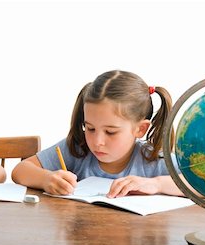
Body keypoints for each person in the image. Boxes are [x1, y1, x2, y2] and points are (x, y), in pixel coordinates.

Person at [12, 70, 184, 198]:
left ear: (140, 129)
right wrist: (46, 179)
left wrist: (157, 184)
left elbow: (201, 187)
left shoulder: (155, 160)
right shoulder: (77, 149)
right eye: (91, 128)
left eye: (110, 132)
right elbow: (20, 170)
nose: (97, 141)